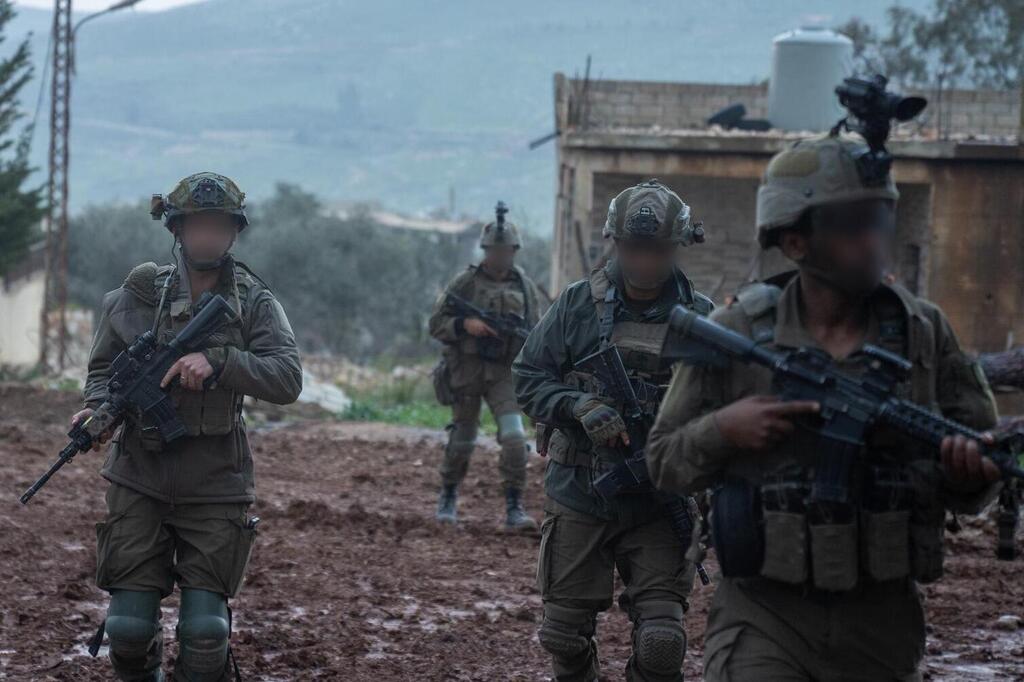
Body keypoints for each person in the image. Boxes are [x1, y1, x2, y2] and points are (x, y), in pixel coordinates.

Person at [646, 133, 1001, 682]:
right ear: (795, 241)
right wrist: (723, 430)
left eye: (881, 220)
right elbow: (664, 461)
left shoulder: (924, 333)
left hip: (881, 621)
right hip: (764, 614)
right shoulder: (736, 334)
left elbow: (982, 474)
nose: (873, 242)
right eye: (851, 225)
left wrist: (967, 475)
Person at [77, 172, 302, 681]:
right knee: (128, 629)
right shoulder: (132, 298)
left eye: (219, 226)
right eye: (198, 225)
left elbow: (288, 377)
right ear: (177, 229)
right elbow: (101, 372)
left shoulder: (254, 302)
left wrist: (221, 361)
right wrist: (98, 411)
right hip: (140, 476)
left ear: (234, 233)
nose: (208, 236)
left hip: (217, 480)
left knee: (206, 632)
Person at [514, 180, 711, 681]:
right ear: (615, 244)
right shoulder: (577, 305)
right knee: (562, 635)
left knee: (663, 645)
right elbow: (528, 377)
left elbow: (726, 413)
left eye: (657, 249)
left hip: (661, 503)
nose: (644, 260)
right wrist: (577, 404)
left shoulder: (704, 321)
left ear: (678, 246)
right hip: (581, 490)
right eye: (633, 248)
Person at [428, 201, 544, 530]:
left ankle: (514, 507)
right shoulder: (464, 283)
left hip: (503, 374)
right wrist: (466, 325)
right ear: (485, 251)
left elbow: (536, 332)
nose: (500, 257)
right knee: (462, 438)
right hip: (467, 370)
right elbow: (436, 323)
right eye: (494, 251)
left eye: (506, 251)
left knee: (513, 438)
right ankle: (448, 497)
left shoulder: (524, 287)